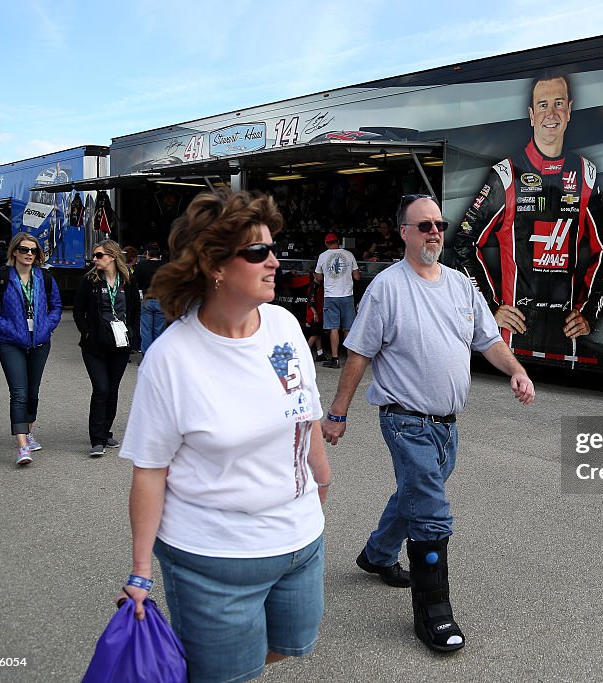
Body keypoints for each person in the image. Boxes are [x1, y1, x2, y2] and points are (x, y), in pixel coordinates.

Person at [117, 189, 330, 683]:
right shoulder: (172, 359)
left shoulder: (283, 326)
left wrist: (322, 479)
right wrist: (140, 569)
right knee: (224, 675)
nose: (275, 261)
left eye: (273, 247)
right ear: (214, 265)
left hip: (299, 542)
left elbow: (306, 410)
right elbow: (150, 469)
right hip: (212, 560)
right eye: (257, 252)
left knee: (287, 645)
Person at [321, 194, 535, 653]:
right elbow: (359, 352)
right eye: (424, 225)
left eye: (439, 224)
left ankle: (377, 555)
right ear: (404, 232)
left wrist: (516, 369)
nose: (434, 231)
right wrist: (337, 413)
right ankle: (434, 615)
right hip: (406, 421)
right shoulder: (387, 288)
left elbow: (489, 340)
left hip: (447, 426)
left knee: (414, 496)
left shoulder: (461, 285)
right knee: (432, 513)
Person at [454, 70, 603, 361]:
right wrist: (489, 306)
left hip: (567, 336)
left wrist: (588, 313)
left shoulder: (586, 174)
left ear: (570, 110)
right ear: (531, 114)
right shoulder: (506, 173)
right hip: (513, 338)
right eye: (543, 105)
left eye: (559, 103)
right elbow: (464, 240)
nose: (551, 113)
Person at [0, 233, 62, 465]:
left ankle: (28, 430)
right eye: (24, 250)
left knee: (33, 392)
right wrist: (7, 328)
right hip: (11, 342)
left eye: (33, 251)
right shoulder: (2, 276)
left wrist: (47, 326)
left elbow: (56, 305)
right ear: (14, 251)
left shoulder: (44, 277)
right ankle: (22, 446)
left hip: (40, 341)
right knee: (19, 393)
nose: (29, 254)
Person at [73, 240, 141, 457]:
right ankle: (97, 439)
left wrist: (132, 334)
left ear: (112, 256)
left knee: (112, 390)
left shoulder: (128, 280)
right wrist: (87, 332)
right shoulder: (90, 280)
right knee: (101, 389)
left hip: (120, 344)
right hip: (95, 345)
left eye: (99, 255)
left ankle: (106, 430)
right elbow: (78, 310)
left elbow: (135, 311)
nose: (95, 259)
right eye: (95, 255)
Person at [313, 232, 360, 368]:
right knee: (348, 328)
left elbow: (319, 277)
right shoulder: (349, 255)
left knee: (333, 328)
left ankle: (335, 359)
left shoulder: (322, 256)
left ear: (326, 243)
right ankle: (351, 358)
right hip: (347, 295)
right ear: (338, 242)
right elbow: (357, 276)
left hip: (330, 296)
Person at [133, 243, 166, 353]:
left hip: (146, 299)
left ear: (147, 253)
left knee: (146, 330)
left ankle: (146, 357)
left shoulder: (140, 266)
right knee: (159, 330)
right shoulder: (165, 266)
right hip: (161, 300)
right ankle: (157, 356)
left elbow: (134, 282)